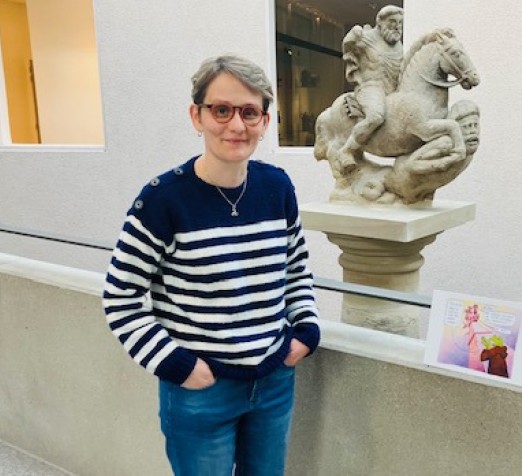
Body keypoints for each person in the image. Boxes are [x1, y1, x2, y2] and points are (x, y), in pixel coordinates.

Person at [102, 54, 320, 476]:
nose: (236, 125)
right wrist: (179, 365)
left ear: (265, 121)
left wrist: (306, 331)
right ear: (196, 116)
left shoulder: (277, 188)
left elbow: (295, 270)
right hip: (201, 391)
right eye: (221, 110)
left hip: (274, 381)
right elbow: (120, 299)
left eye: (249, 112)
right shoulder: (162, 200)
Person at [336, 5, 404, 171]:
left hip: (393, 90)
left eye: (400, 23)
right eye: (392, 22)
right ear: (380, 22)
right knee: (376, 116)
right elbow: (347, 45)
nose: (397, 27)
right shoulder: (365, 37)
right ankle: (347, 150)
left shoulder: (398, 45)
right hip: (370, 87)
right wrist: (352, 35)